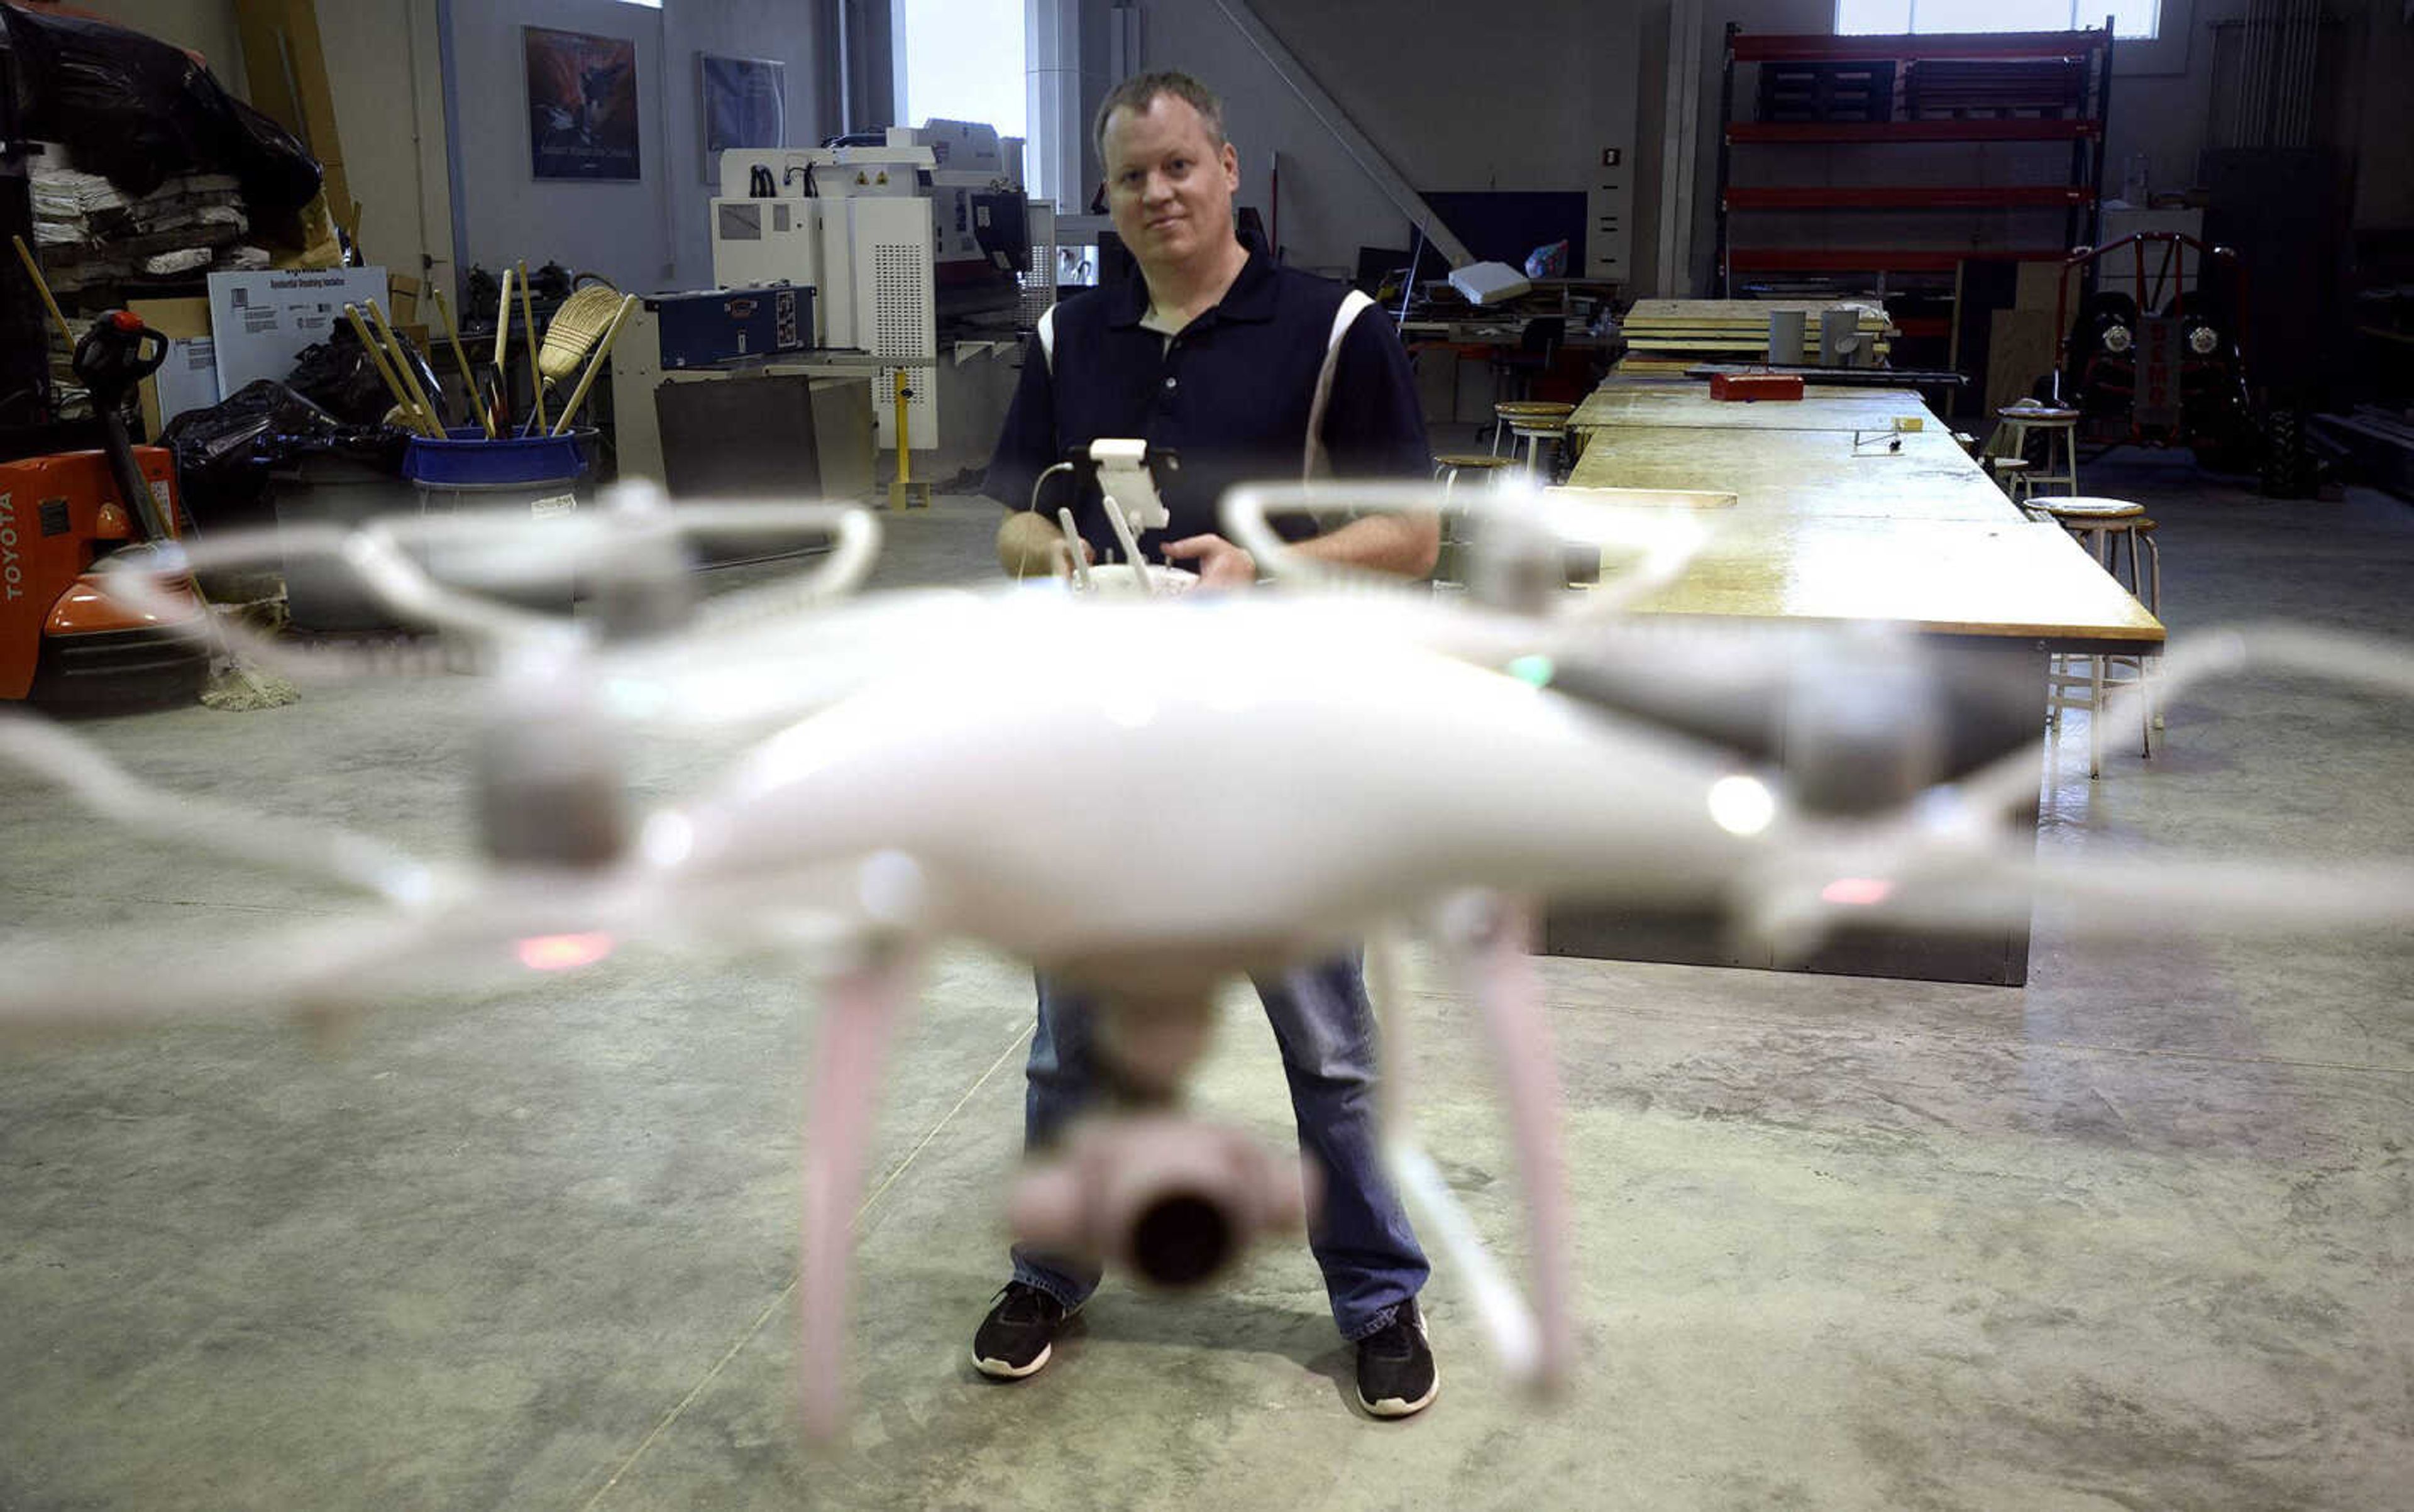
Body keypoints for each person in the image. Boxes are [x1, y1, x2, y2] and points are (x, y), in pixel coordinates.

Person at [975, 70, 1443, 1419]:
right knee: (1072, 1043)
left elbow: (1408, 540)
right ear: (1109, 197)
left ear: (1229, 168)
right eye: (1133, 178)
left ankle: (1376, 1297)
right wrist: (1047, 549)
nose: (1159, 194)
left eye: (1181, 166)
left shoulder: (1338, 329)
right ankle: (1050, 1270)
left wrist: (1269, 565)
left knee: (1328, 1045)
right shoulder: (1074, 335)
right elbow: (1012, 517)